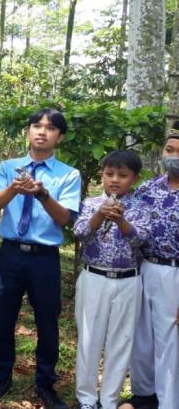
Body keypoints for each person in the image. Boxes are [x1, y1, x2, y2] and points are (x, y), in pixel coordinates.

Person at [0, 108, 81, 409]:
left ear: (59, 137)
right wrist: (13, 188)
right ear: (28, 131)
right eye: (36, 126)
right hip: (10, 255)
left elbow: (64, 219)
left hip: (44, 258)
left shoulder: (68, 175)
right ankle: (1, 377)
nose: (42, 132)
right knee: (3, 318)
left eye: (50, 128)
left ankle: (45, 383)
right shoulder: (9, 167)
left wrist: (43, 195)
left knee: (47, 321)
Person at [72, 150, 147, 409]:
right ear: (102, 175)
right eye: (109, 174)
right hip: (94, 277)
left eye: (123, 175)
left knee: (121, 339)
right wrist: (99, 216)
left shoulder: (140, 206)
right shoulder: (91, 204)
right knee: (89, 338)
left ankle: (110, 398)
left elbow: (140, 240)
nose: (115, 180)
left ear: (134, 179)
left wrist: (122, 220)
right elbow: (80, 233)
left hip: (128, 280)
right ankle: (87, 398)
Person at [124, 123, 179, 409]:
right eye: (169, 149)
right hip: (144, 268)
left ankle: (170, 401)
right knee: (141, 335)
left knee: (170, 340)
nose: (174, 156)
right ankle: (144, 395)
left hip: (176, 274)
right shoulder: (147, 189)